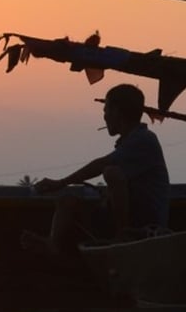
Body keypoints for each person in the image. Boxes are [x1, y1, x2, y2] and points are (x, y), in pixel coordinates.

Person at [22, 84, 171, 255]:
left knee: (111, 172)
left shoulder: (144, 140)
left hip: (146, 223)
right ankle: (53, 244)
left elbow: (102, 165)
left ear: (116, 111)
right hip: (126, 215)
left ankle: (123, 237)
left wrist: (61, 182)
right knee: (66, 201)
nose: (105, 117)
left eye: (106, 110)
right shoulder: (129, 141)